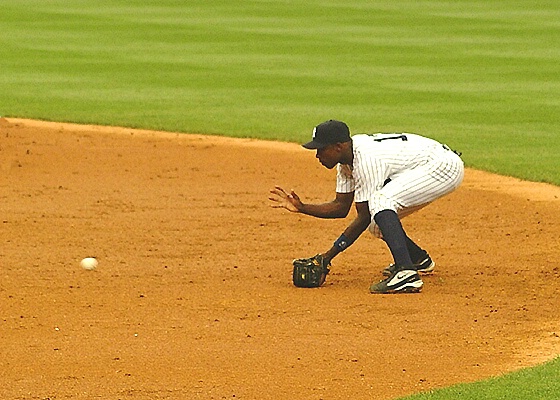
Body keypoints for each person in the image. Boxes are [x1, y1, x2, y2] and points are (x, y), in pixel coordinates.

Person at [269, 120, 464, 294]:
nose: (318, 155)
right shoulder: (346, 163)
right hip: (425, 165)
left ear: (338, 147)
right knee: (376, 223)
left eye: (321, 149)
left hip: (442, 166)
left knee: (379, 202)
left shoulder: (367, 159)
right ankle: (417, 259)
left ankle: (406, 273)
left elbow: (363, 215)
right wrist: (302, 207)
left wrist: (327, 257)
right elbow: (340, 207)